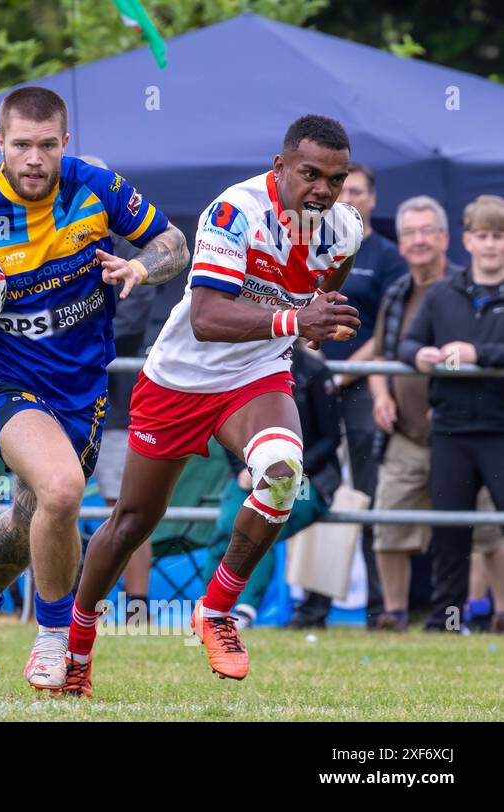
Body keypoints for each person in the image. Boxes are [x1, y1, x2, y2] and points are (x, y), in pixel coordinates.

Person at [0, 87, 190, 693]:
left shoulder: (97, 188)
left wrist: (139, 266)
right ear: (0, 143)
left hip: (83, 392)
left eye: (47, 145)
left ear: (64, 144)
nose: (34, 158)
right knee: (62, 489)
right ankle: (55, 637)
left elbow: (174, 244)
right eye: (22, 145)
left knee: (35, 513)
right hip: (7, 386)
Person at [73, 115, 364, 691]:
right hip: (179, 379)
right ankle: (72, 643)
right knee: (133, 522)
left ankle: (217, 609)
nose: (324, 190)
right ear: (279, 167)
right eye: (310, 174)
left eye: (337, 179)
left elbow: (331, 280)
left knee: (282, 475)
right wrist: (294, 318)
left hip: (256, 377)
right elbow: (205, 319)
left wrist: (316, 321)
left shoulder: (345, 228)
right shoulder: (234, 211)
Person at [287, 162, 407, 628]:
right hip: (311, 387)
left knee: (367, 495)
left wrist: (348, 372)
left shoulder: (388, 255)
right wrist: (308, 364)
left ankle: (382, 608)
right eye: (342, 188)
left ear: (374, 199)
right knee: (315, 485)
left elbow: (389, 327)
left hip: (360, 391)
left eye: (357, 189)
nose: (348, 196)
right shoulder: (312, 243)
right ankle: (313, 605)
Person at [398, 194, 504, 633]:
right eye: (483, 236)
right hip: (451, 430)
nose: (491, 245)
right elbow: (404, 344)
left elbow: (482, 353)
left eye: (499, 236)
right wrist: (419, 354)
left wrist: (478, 353)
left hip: (500, 429)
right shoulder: (443, 293)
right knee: (450, 531)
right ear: (466, 241)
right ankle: (446, 620)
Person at [202, 341, 343, 629]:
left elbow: (331, 439)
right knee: (225, 529)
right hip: (249, 473)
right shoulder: (242, 366)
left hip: (306, 480)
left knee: (260, 527)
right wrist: (242, 469)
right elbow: (223, 425)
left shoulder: (314, 370)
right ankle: (210, 608)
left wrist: (291, 470)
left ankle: (242, 610)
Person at [78, 155, 159, 622]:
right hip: (55, 406)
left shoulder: (134, 256)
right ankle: (59, 603)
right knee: (55, 504)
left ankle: (138, 606)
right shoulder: (36, 243)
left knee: (125, 512)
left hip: (118, 410)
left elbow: (119, 324)